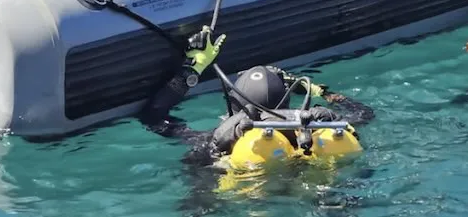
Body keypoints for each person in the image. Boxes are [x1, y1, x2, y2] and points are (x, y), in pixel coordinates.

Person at [138, 26, 374, 167]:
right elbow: (364, 114)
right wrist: (325, 94)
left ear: (235, 103)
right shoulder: (311, 131)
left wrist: (193, 68)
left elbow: (153, 117)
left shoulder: (216, 139)